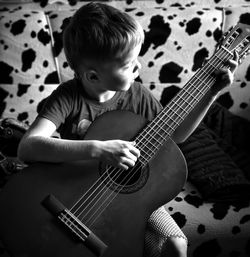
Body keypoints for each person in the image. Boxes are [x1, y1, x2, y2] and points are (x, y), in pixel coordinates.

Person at [18, 2, 238, 257]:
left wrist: (211, 93)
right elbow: (28, 146)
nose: (138, 68)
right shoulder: (67, 97)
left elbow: (174, 137)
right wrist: (99, 149)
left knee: (176, 246)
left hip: (131, 196)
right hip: (75, 192)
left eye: (137, 59)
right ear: (92, 76)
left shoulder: (138, 95)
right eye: (127, 65)